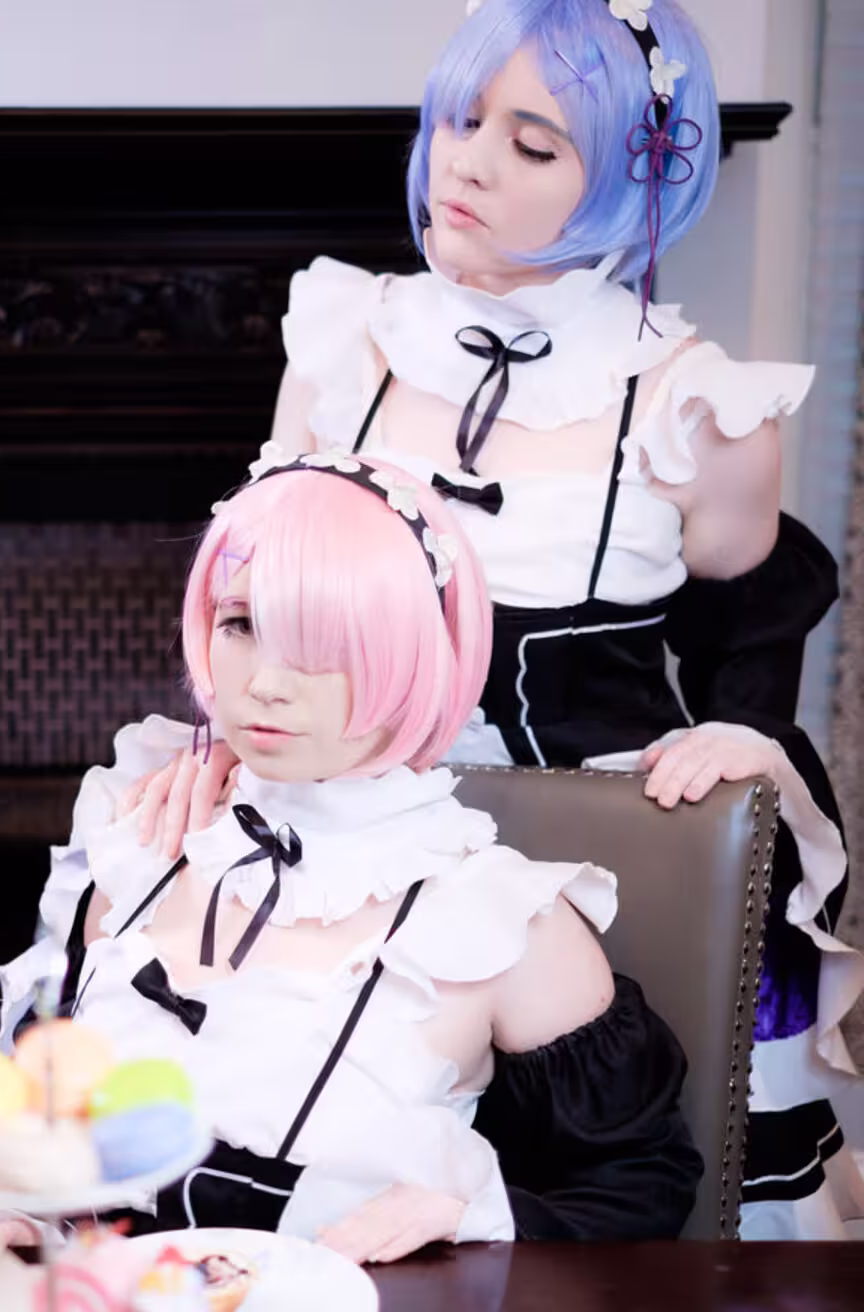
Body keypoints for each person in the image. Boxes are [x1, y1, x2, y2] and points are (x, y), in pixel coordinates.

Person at [118, 0, 863, 1241]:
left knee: (605, 1179)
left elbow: (754, 607)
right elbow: (265, 582)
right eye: (462, 121)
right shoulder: (343, 343)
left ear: (632, 174)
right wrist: (222, 741)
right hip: (348, 836)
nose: (466, 163)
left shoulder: (702, 406)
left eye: (533, 144)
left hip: (594, 845)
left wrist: (747, 729)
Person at [0, 458, 704, 1253]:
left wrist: (464, 1216)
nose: (265, 683)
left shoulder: (506, 922)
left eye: (322, 642)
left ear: (417, 655)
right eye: (240, 624)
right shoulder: (141, 839)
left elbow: (639, 1187)